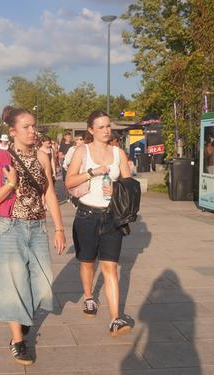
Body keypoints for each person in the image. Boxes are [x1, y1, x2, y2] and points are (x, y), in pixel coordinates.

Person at [0, 106, 66, 365]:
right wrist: (10, 184)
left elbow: (49, 193)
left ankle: (23, 315)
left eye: (33, 126)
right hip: (10, 228)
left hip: (38, 226)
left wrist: (59, 228)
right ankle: (18, 341)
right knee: (13, 285)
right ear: (12, 131)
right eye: (26, 127)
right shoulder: (0, 160)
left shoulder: (42, 156)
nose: (32, 131)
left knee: (43, 284)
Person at [65, 110, 134, 337]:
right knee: (87, 262)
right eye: (101, 127)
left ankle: (115, 319)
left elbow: (130, 185)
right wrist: (92, 172)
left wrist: (117, 190)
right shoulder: (81, 151)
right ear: (91, 130)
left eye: (108, 126)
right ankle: (89, 297)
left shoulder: (118, 153)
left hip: (112, 216)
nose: (106, 130)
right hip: (86, 215)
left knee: (110, 267)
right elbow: (69, 181)